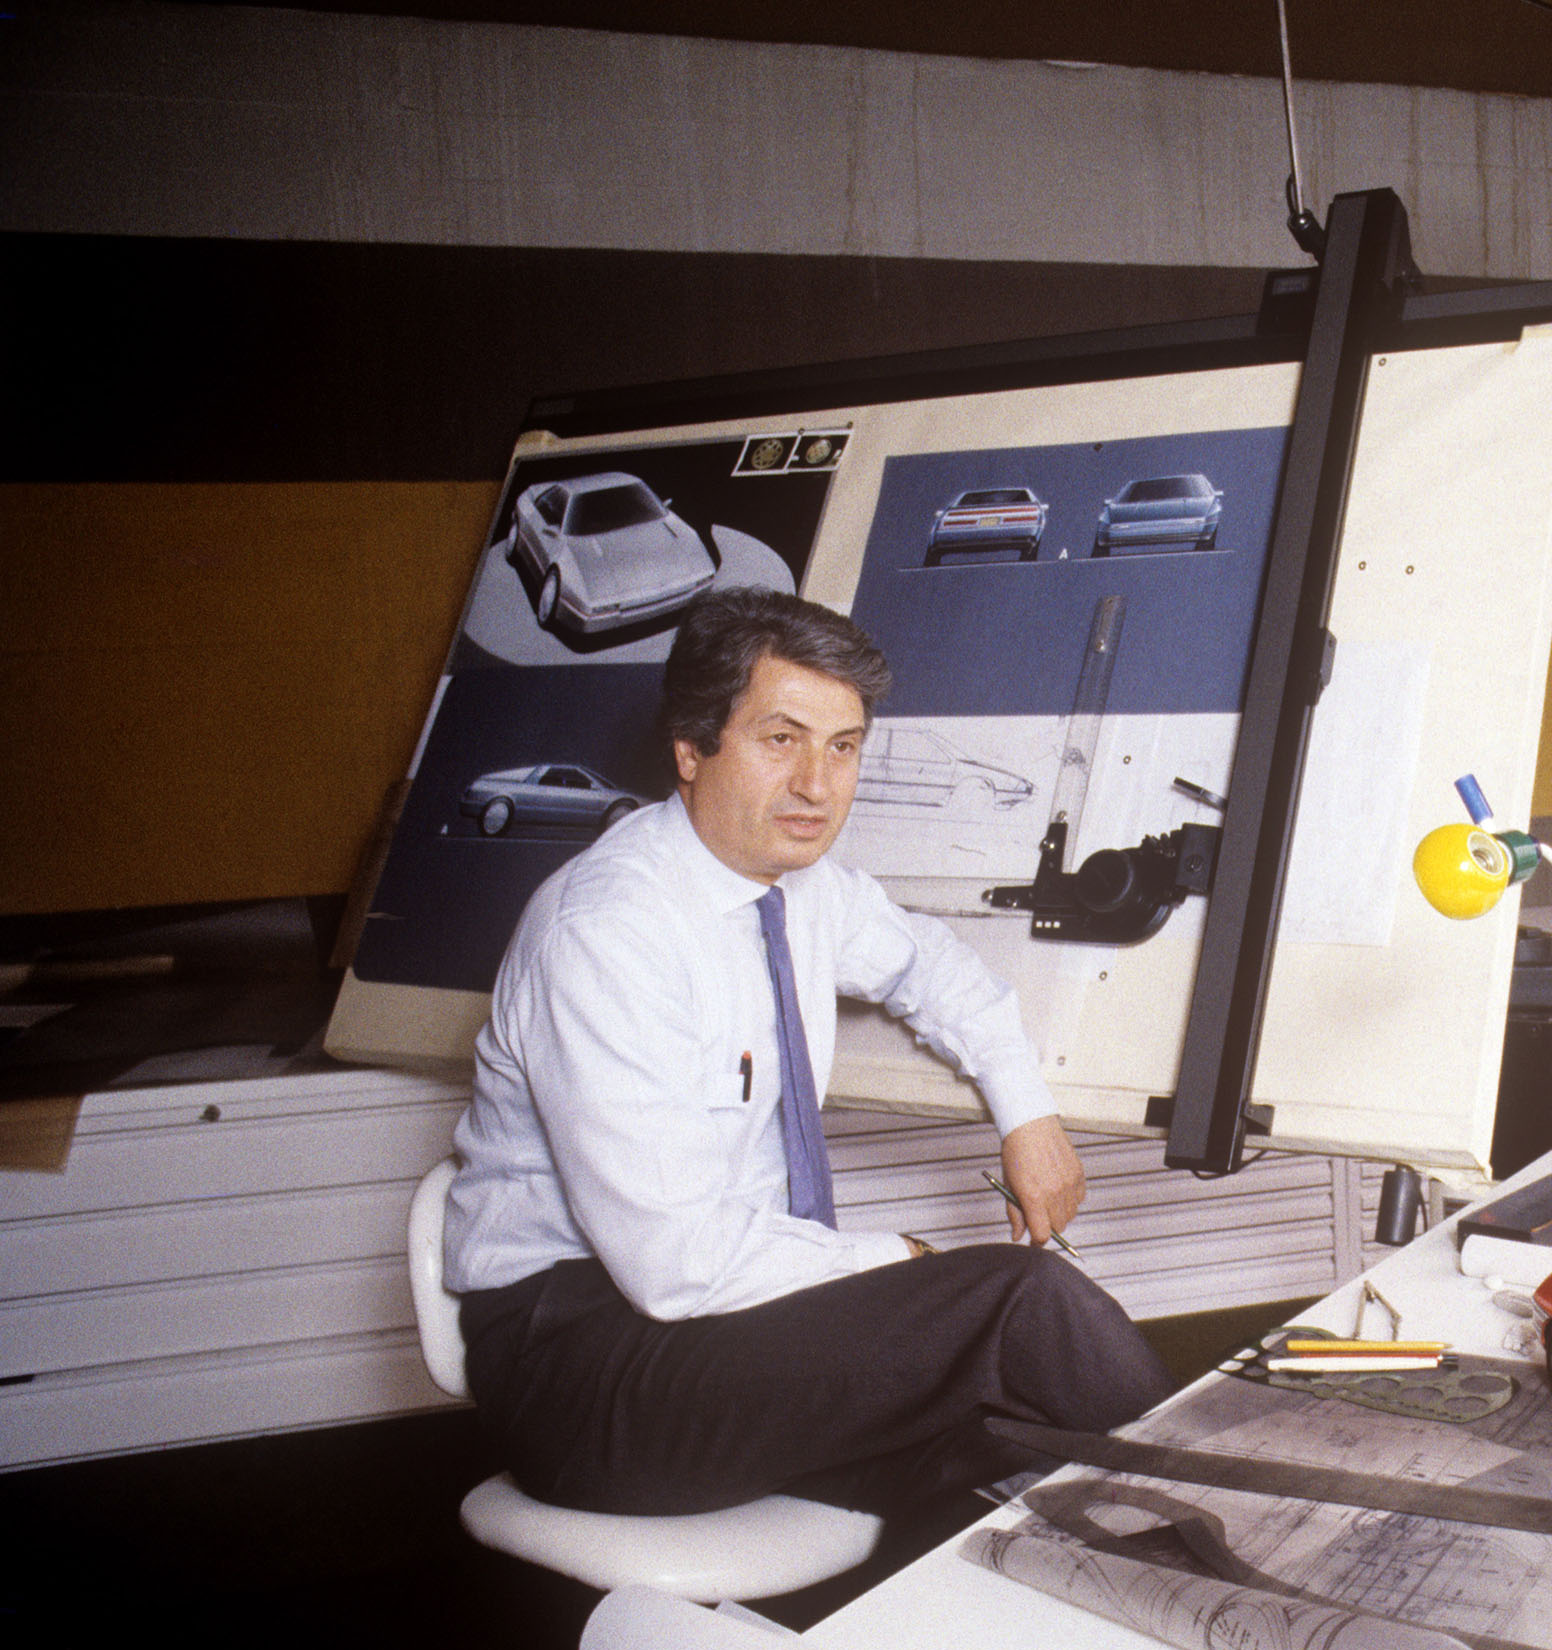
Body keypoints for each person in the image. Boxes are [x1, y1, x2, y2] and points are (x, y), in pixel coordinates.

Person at [443, 587, 1171, 1520]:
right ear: (691, 747)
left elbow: (931, 966)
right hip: (581, 1364)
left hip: (711, 1325)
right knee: (1021, 1307)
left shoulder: (801, 885)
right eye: (780, 739)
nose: (818, 786)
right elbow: (674, 1261)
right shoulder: (607, 931)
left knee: (1017, 1440)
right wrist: (893, 1257)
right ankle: (1282, 1532)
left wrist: (1026, 1109)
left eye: (844, 746)